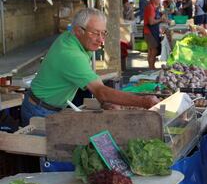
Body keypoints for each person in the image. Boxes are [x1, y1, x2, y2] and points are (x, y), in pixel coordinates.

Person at [21, 8, 159, 126]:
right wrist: (143, 101)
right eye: (94, 33)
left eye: (103, 33)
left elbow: (99, 90)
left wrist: (104, 101)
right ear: (78, 31)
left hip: (47, 105)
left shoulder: (72, 39)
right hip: (39, 111)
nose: (100, 40)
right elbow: (101, 91)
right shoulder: (71, 55)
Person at [144, 0, 168, 69]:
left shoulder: (153, 7)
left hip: (150, 32)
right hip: (149, 32)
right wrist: (161, 20)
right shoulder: (150, 8)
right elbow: (151, 22)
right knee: (153, 51)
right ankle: (151, 68)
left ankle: (151, 67)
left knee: (151, 51)